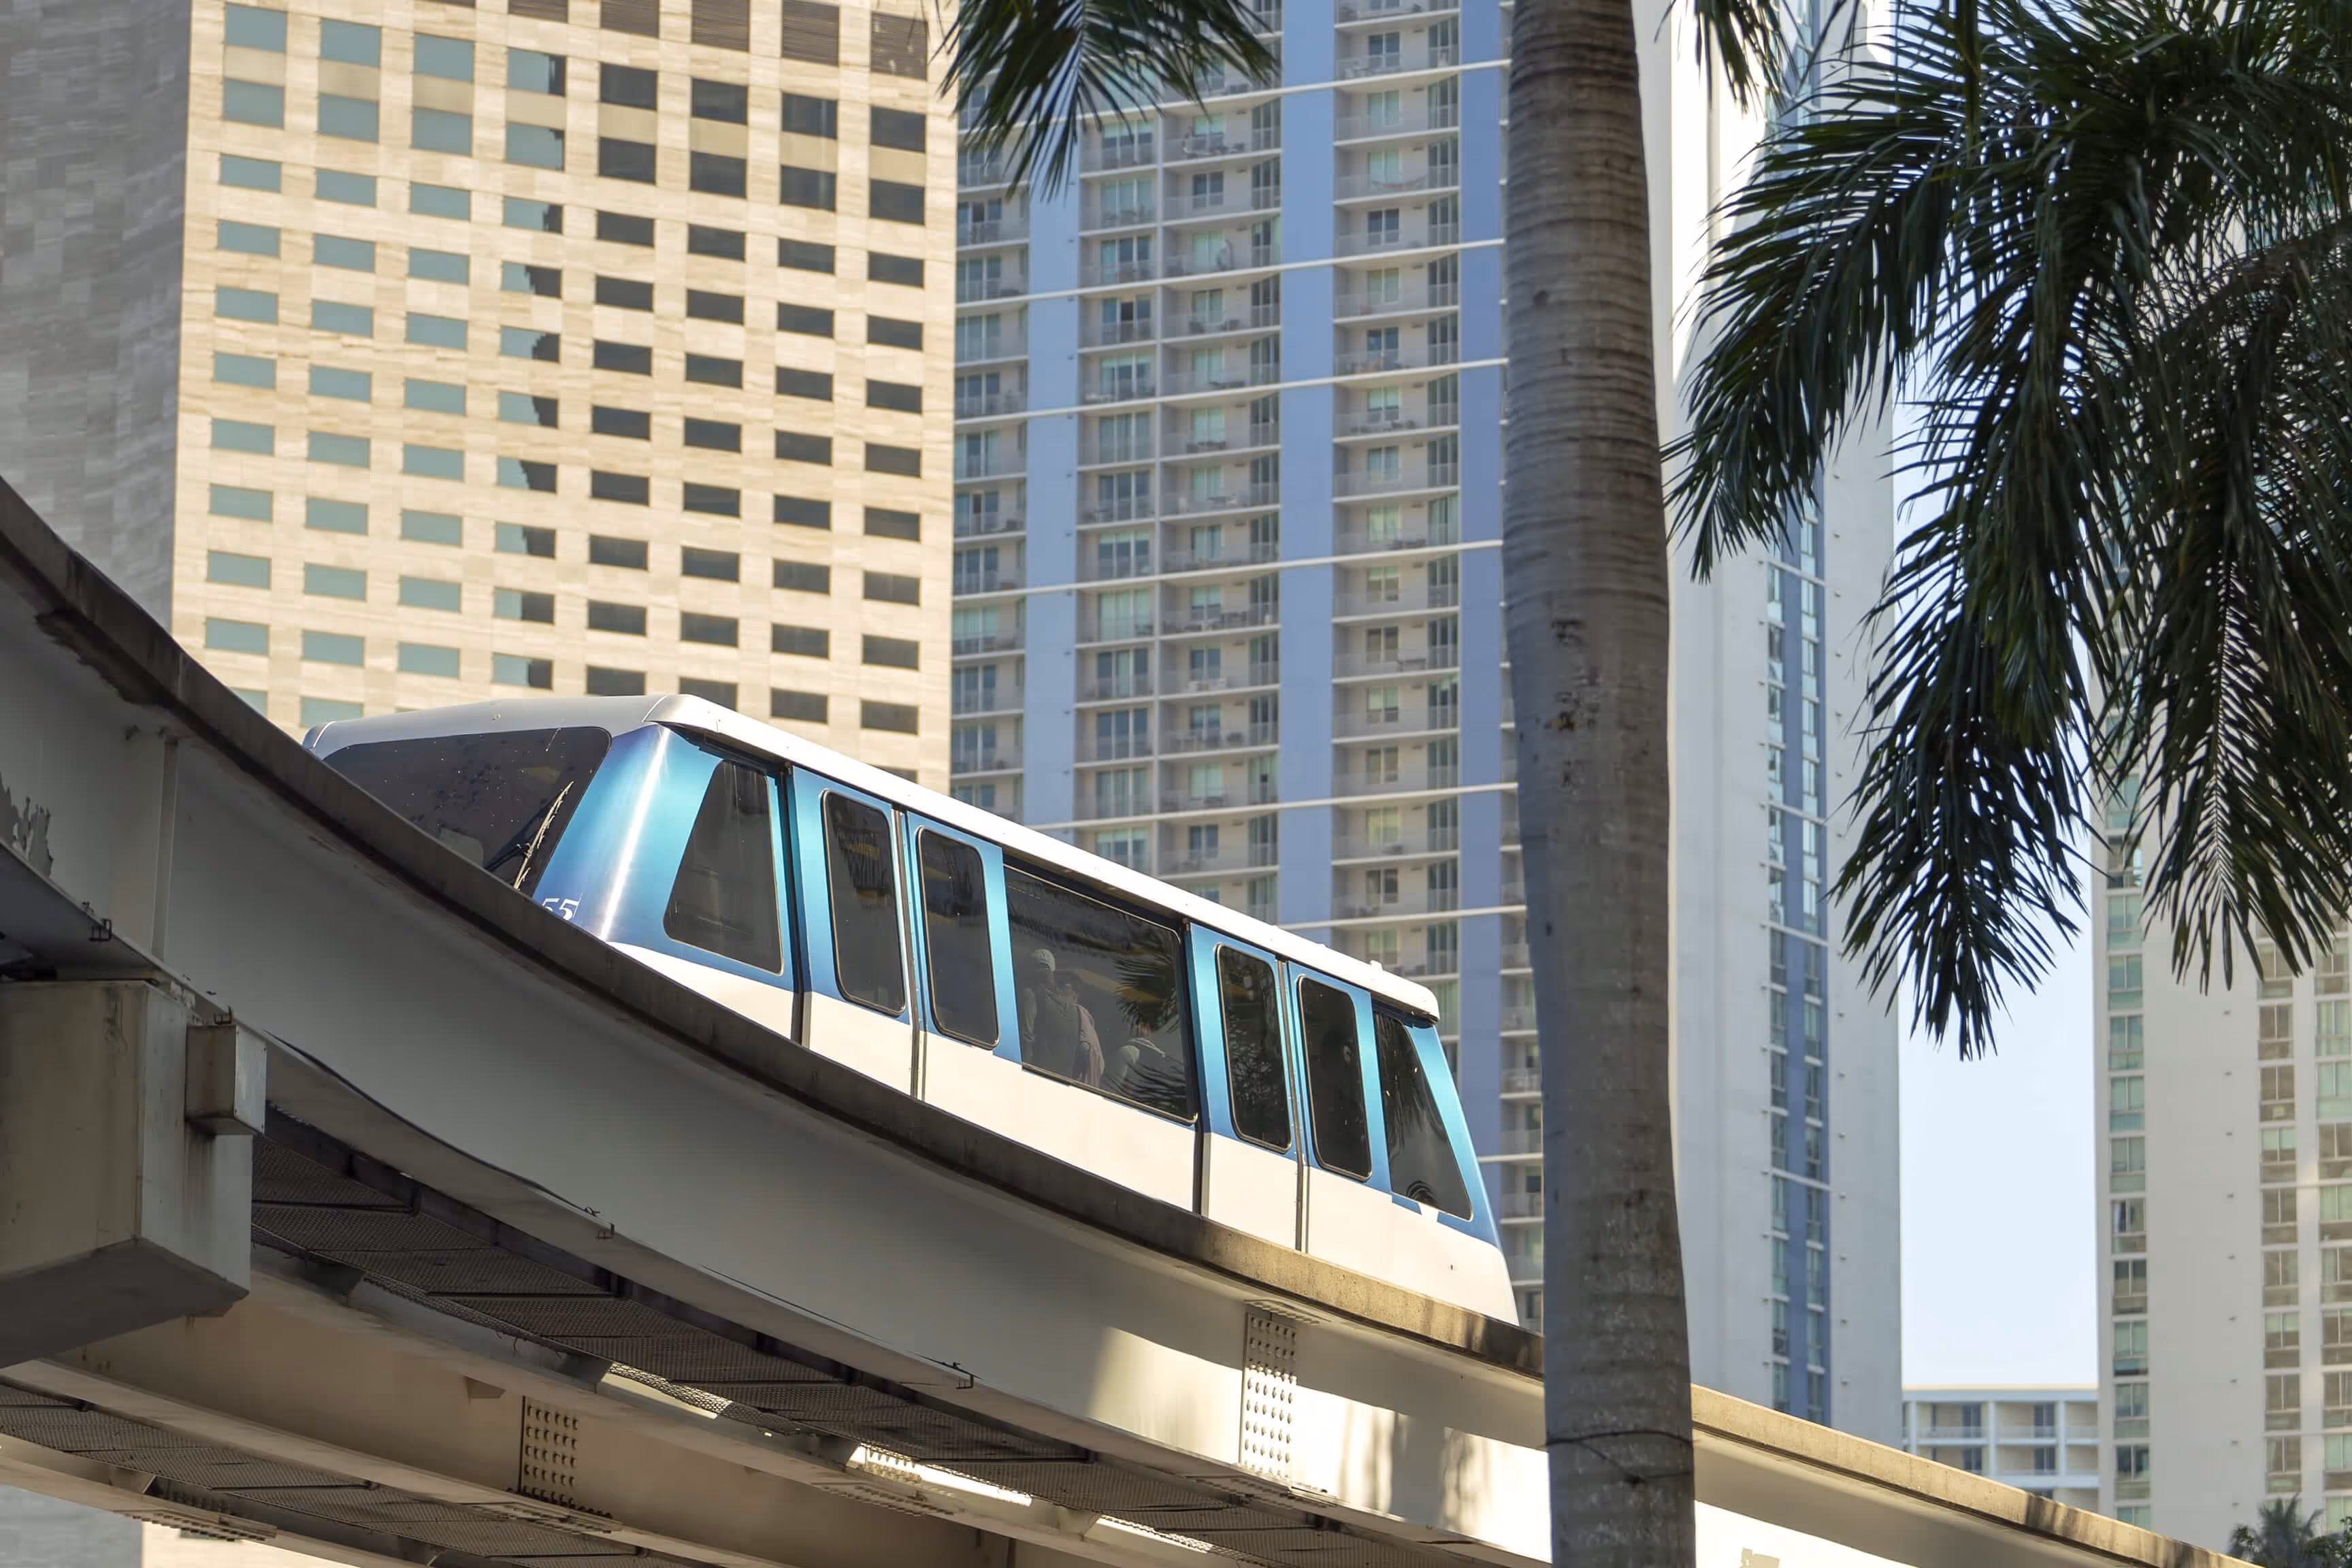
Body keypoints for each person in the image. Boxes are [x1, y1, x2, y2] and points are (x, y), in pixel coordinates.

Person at [1018, 947, 1103, 1087]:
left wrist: (1022, 1072)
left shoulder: (1031, 994)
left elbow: (1026, 1037)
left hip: (1036, 1077)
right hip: (1062, 1083)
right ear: (1052, 971)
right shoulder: (1074, 1008)